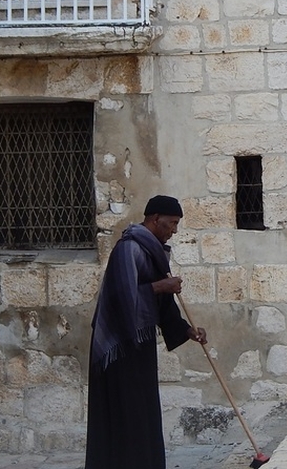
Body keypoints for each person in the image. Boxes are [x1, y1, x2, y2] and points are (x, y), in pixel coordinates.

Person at [85, 195, 207, 469]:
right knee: (126, 413)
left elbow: (162, 305)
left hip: (139, 343)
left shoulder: (154, 251)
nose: (174, 230)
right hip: (118, 348)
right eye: (172, 224)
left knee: (143, 412)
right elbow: (120, 298)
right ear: (155, 219)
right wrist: (161, 286)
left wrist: (188, 330)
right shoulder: (128, 249)